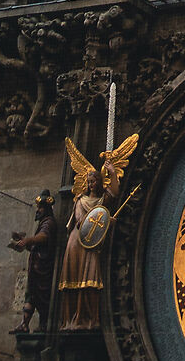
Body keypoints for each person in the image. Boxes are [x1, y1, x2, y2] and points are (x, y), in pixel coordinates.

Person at [58, 133, 138, 326]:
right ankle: (72, 318)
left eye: (93, 180)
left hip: (92, 243)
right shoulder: (80, 200)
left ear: (99, 182)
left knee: (92, 278)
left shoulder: (102, 201)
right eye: (88, 181)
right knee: (73, 279)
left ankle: (90, 318)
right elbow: (80, 221)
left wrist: (111, 172)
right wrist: (103, 220)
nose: (90, 183)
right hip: (77, 241)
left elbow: (115, 193)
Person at [10, 190, 59, 331]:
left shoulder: (49, 222)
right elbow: (35, 246)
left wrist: (27, 240)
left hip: (43, 269)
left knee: (42, 298)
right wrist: (21, 241)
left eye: (40, 207)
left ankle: (43, 324)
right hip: (35, 269)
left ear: (46, 209)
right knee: (30, 296)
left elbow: (43, 237)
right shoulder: (43, 222)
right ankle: (24, 324)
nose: (38, 210)